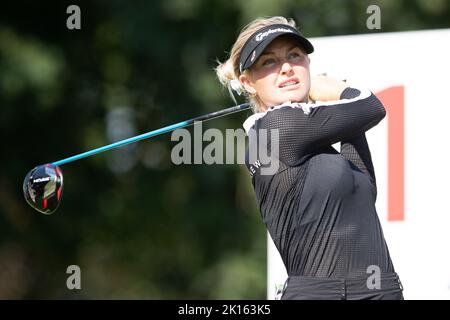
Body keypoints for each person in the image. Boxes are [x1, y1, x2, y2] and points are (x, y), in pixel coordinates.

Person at [216, 16, 404, 300]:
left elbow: (364, 194)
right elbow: (371, 108)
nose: (287, 68)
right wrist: (340, 91)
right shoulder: (273, 129)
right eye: (269, 62)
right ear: (248, 82)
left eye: (295, 56)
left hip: (382, 291)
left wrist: (333, 105)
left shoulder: (309, 138)